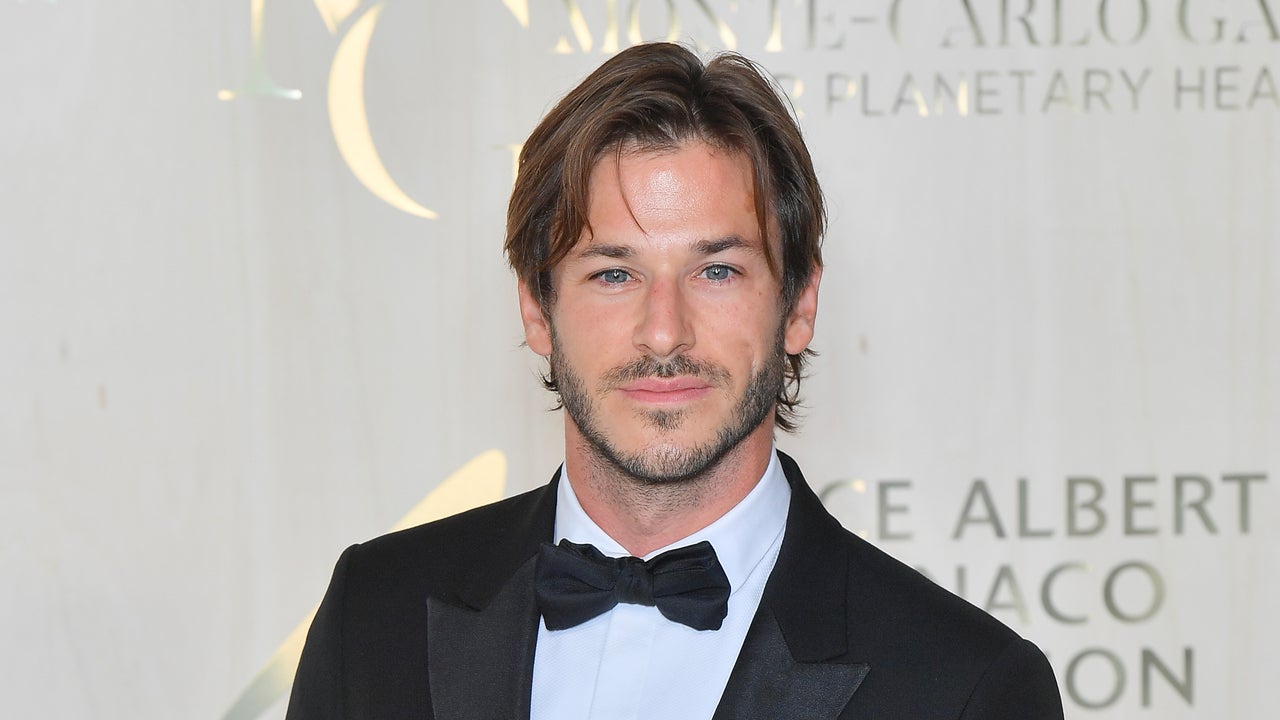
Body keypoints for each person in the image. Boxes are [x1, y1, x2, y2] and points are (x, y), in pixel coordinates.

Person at [286, 42, 1064, 719]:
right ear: (536, 310)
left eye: (717, 270)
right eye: (614, 273)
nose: (664, 332)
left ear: (799, 305)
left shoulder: (964, 687)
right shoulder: (373, 616)